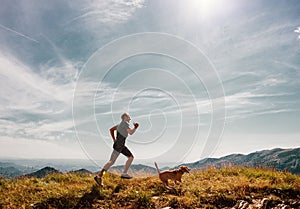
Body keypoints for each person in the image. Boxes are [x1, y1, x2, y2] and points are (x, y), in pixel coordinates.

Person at [94, 112, 139, 186]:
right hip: (119, 146)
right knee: (111, 162)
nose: (130, 118)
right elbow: (130, 132)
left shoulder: (119, 125)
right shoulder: (124, 124)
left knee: (130, 157)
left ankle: (123, 173)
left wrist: (114, 140)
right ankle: (99, 176)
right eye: (128, 117)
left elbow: (111, 129)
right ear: (125, 118)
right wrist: (136, 127)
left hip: (120, 145)